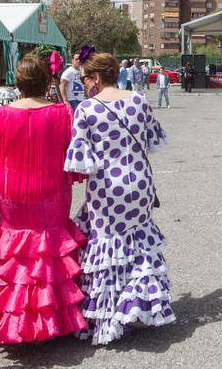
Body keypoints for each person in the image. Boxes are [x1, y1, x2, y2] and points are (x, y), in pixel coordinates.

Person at [0, 54, 87, 344]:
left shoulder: (1, 114)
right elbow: (77, 153)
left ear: (18, 84)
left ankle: (14, 322)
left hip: (11, 193)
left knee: (16, 253)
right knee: (48, 250)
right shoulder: (62, 113)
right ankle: (52, 316)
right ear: (46, 83)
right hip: (52, 191)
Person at [66, 50, 175, 344]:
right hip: (140, 183)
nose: (85, 82)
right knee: (140, 242)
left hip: (106, 187)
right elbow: (153, 140)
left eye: (86, 77)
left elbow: (78, 161)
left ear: (97, 78)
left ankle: (112, 310)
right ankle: (141, 305)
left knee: (108, 247)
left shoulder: (87, 109)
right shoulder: (138, 99)